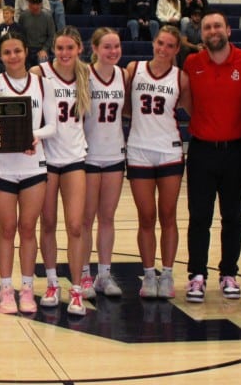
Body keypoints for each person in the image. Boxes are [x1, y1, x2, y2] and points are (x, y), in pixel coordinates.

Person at [183, 10, 241, 303]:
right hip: (201, 150)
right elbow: (188, 104)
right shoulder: (192, 62)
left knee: (233, 217)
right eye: (208, 27)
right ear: (202, 34)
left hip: (236, 151)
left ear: (228, 30)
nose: (213, 31)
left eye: (217, 26)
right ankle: (197, 276)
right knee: (199, 216)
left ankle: (229, 274)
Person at [0, 32, 56, 314]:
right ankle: (5, 290)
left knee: (28, 228)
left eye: (17, 51)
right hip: (3, 168)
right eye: (7, 52)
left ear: (26, 51)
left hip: (33, 165)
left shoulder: (41, 84)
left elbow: (53, 126)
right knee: (7, 229)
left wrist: (32, 135)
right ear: (0, 56)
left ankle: (27, 289)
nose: (13, 56)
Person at [127, 26, 190, 299]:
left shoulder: (181, 78)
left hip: (169, 151)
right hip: (139, 150)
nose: (163, 49)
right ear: (153, 43)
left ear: (176, 50)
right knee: (146, 217)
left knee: (168, 215)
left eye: (169, 46)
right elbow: (126, 107)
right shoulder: (134, 68)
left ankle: (167, 274)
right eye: (160, 43)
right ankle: (148, 274)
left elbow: (191, 111)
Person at [32, 27, 91, 316]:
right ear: (53, 48)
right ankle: (53, 283)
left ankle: (77, 288)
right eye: (60, 48)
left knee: (76, 225)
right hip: (46, 158)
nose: (64, 53)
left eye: (70, 48)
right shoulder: (39, 73)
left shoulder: (87, 75)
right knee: (48, 223)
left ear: (79, 48)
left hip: (74, 158)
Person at [82, 28, 129, 299]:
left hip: (114, 154)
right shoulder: (84, 74)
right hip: (88, 155)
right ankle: (85, 275)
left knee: (107, 218)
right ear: (95, 48)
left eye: (117, 46)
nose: (113, 51)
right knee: (86, 219)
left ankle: (104, 274)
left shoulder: (124, 75)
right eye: (108, 47)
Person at [18, 0, 55, 67]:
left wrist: (44, 49)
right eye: (31, 4)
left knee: (43, 64)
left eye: (36, 5)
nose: (34, 7)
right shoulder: (23, 16)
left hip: (41, 48)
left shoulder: (48, 17)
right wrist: (24, 47)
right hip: (27, 48)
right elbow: (20, 34)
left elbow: (52, 35)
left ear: (40, 5)